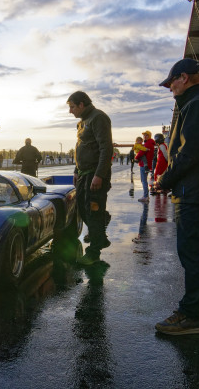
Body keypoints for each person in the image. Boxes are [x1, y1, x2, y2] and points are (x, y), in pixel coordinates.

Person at [153, 58, 199, 335]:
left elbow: (190, 151)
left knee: (192, 253)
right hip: (197, 189)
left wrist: (164, 179)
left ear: (184, 77)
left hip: (195, 190)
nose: (170, 88)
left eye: (171, 82)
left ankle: (191, 315)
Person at [67, 90, 113, 266]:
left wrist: (99, 175)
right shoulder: (82, 123)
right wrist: (75, 170)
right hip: (83, 173)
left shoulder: (98, 117)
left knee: (93, 210)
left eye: (72, 107)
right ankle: (101, 229)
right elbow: (80, 148)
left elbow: (105, 148)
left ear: (81, 104)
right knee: (82, 207)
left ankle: (93, 252)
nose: (70, 111)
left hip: (95, 174)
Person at [136, 131, 155, 202]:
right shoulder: (149, 142)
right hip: (146, 164)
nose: (145, 136)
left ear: (149, 136)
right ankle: (146, 195)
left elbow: (141, 152)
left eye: (146, 135)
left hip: (144, 165)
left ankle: (145, 196)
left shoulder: (148, 143)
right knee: (144, 180)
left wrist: (136, 157)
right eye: (144, 135)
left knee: (143, 180)